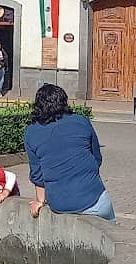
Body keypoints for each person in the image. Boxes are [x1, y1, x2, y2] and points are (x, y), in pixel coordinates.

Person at [24, 84, 113, 221]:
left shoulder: (32, 132)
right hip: (95, 200)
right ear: (64, 102)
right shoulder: (81, 121)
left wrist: (40, 200)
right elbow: (96, 158)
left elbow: (37, 174)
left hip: (60, 204)